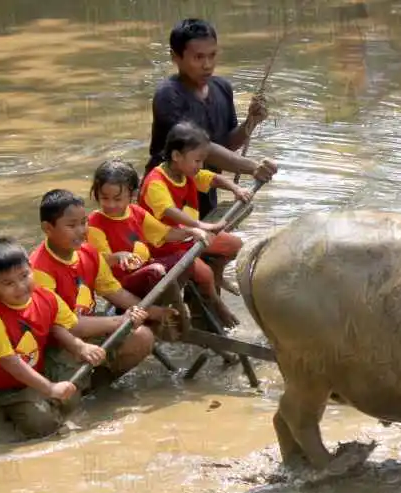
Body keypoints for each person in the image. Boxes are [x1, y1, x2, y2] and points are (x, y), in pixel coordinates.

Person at [0, 237, 107, 451]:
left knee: (44, 426)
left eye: (24, 276)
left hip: (21, 385)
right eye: (8, 283)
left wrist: (80, 347)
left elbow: (60, 325)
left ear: (32, 269)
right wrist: (50, 388)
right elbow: (10, 362)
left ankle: (8, 412)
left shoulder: (46, 297)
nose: (20, 287)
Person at [29, 189, 163, 396]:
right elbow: (65, 326)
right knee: (67, 396)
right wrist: (120, 321)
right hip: (57, 343)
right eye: (72, 225)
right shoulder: (38, 269)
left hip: (89, 327)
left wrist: (156, 312)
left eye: (84, 222)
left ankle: (98, 387)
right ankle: (79, 389)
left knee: (143, 337)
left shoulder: (89, 252)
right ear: (47, 228)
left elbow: (113, 291)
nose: (82, 231)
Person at [146, 16, 278, 220]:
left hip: (205, 192)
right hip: (167, 198)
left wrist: (251, 122)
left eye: (212, 55)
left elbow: (226, 144)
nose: (207, 65)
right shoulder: (168, 95)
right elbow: (202, 148)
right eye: (198, 57)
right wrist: (252, 167)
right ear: (175, 57)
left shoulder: (222, 88)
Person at [140, 122, 251, 328]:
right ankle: (216, 304)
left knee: (235, 245)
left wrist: (235, 187)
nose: (200, 165)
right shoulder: (156, 182)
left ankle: (216, 279)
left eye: (202, 160)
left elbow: (210, 178)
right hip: (164, 244)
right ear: (176, 156)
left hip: (191, 236)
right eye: (197, 160)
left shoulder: (186, 172)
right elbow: (168, 211)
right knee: (204, 274)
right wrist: (201, 225)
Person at [87, 158, 212, 338]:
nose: (111, 205)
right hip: (123, 283)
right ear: (96, 194)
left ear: (132, 194)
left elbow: (164, 233)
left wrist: (192, 231)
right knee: (156, 270)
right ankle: (157, 314)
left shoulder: (135, 212)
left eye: (117, 199)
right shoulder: (95, 222)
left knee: (184, 258)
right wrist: (117, 256)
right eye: (104, 198)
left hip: (144, 273)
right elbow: (99, 261)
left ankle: (164, 308)